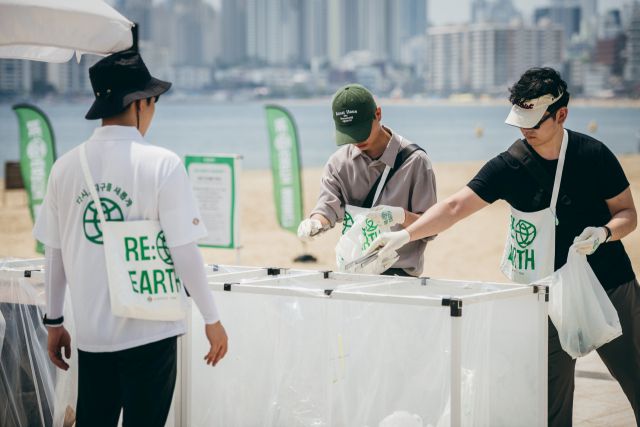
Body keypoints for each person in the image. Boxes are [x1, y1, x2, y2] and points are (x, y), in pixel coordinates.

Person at [367, 67, 639, 426]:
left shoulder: (593, 155)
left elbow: (627, 214)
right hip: (547, 295)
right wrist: (406, 235)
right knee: (548, 403)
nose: (525, 130)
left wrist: (603, 233)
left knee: (635, 379)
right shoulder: (511, 165)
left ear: (561, 115)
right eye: (519, 122)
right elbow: (455, 206)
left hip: (610, 286)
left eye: (534, 122)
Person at [33, 50, 228, 427]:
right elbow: (184, 250)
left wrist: (54, 321)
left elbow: (54, 252)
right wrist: (212, 317)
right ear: (140, 103)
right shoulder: (163, 164)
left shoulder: (64, 167)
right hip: (151, 328)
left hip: (92, 335)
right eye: (153, 103)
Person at [297, 83, 437, 277]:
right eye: (349, 133)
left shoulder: (415, 162)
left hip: (400, 275)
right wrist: (315, 223)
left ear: (378, 114)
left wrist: (401, 216)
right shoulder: (338, 163)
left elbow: (431, 227)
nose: (356, 140)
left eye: (360, 130)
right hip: (353, 270)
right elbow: (327, 208)